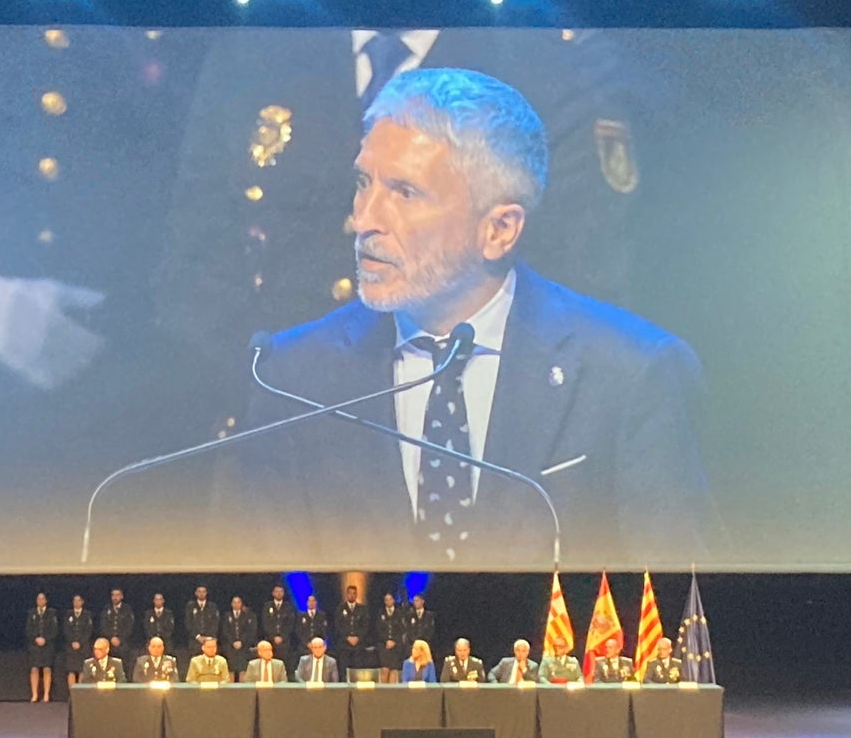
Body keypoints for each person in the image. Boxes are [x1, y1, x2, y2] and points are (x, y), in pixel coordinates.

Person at [221, 66, 710, 569]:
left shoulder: (630, 374)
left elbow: (679, 610)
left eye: (405, 193)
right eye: (364, 183)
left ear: (499, 230)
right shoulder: (292, 378)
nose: (365, 218)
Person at [26, 592, 59, 702]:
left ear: (46, 601)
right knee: (34, 668)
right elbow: (28, 630)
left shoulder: (52, 613)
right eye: (38, 599)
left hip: (47, 645)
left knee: (47, 668)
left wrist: (45, 639)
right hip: (34, 646)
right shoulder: (31, 613)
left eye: (42, 599)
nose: (40, 601)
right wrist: (36, 639)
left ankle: (46, 694)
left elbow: (55, 630)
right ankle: (34, 694)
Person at [333, 585, 370, 675]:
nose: (352, 595)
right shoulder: (340, 609)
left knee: (358, 671)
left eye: (354, 593)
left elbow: (366, 626)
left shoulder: (363, 609)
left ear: (356, 595)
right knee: (343, 670)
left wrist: (358, 637)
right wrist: (347, 637)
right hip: (344, 645)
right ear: (346, 594)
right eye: (350, 593)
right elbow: (338, 625)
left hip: (358, 645)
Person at [261, 585, 296, 675]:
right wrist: (273, 637)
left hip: (284, 642)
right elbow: (265, 623)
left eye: (281, 591)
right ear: (273, 593)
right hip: (270, 641)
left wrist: (282, 637)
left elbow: (290, 624)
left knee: (283, 664)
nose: (278, 593)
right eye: (276, 591)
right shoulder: (267, 606)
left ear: (283, 593)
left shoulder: (288, 607)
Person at [184, 586, 220, 674]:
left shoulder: (212, 606)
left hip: (209, 641)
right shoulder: (190, 606)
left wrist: (208, 638)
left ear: (206, 593)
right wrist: (198, 636)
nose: (201, 593)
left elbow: (215, 623)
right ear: (196, 593)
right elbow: (188, 623)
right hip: (195, 641)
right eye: (199, 591)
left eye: (203, 591)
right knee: (195, 665)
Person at [222, 596, 257, 682]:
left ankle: (243, 691)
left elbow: (250, 631)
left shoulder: (248, 616)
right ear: (231, 604)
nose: (236, 604)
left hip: (244, 647)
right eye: (234, 602)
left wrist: (241, 641)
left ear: (241, 604)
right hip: (230, 647)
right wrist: (233, 642)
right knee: (231, 668)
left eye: (238, 602)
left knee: (243, 668)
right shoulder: (226, 616)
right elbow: (224, 630)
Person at [375, 592, 407, 683]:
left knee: (394, 670)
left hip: (396, 646)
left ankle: (391, 694)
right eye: (386, 600)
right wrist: (386, 640)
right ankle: (382, 692)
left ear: (393, 600)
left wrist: (394, 641)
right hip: (383, 645)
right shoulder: (380, 613)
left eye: (390, 599)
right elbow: (378, 629)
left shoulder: (400, 613)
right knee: (385, 669)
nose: (388, 601)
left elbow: (402, 629)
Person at [63, 595, 94, 688]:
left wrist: (80, 642)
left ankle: (80, 694)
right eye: (75, 601)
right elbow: (65, 630)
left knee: (82, 670)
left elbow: (89, 630)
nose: (76, 603)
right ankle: (72, 694)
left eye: (79, 600)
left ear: (82, 602)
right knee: (71, 670)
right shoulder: (68, 614)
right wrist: (72, 641)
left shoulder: (87, 615)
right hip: (70, 646)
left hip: (83, 646)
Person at [99, 588, 135, 663]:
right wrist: (111, 637)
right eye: (113, 595)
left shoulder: (127, 609)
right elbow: (103, 625)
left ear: (122, 596)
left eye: (117, 595)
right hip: (109, 643)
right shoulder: (106, 608)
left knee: (123, 666)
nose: (115, 597)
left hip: (123, 643)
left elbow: (129, 626)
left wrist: (120, 639)